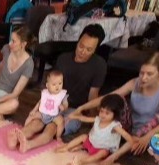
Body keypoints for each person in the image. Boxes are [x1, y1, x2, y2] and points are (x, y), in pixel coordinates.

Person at [72, 52, 159, 165]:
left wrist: (148, 137)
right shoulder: (135, 82)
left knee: (150, 127)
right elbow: (109, 97)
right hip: (131, 123)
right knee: (117, 100)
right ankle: (97, 140)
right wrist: (81, 107)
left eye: (149, 74)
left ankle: (112, 157)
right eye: (142, 73)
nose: (144, 78)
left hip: (151, 128)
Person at [19, 24, 107, 152]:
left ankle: (29, 145)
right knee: (37, 122)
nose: (82, 51)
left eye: (89, 49)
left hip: (75, 109)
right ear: (78, 41)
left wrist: (95, 122)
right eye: (81, 46)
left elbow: (93, 95)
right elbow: (51, 86)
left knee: (52, 127)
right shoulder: (63, 59)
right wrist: (40, 107)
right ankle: (18, 136)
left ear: (95, 50)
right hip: (54, 104)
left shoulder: (99, 65)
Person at [56, 94, 132, 165]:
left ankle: (83, 161)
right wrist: (74, 117)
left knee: (103, 153)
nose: (103, 115)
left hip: (102, 149)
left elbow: (125, 134)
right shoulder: (98, 119)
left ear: (115, 115)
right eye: (101, 111)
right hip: (91, 143)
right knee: (83, 136)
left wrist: (132, 142)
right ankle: (67, 147)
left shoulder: (114, 126)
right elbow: (84, 118)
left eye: (107, 113)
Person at [10, 70, 67, 153]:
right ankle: (16, 137)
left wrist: (63, 107)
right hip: (43, 114)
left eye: (60, 83)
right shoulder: (45, 93)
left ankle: (57, 136)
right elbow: (40, 102)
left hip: (54, 117)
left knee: (56, 125)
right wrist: (33, 111)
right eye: (54, 84)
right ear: (47, 85)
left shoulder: (62, 94)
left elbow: (66, 104)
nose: (57, 87)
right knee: (32, 121)